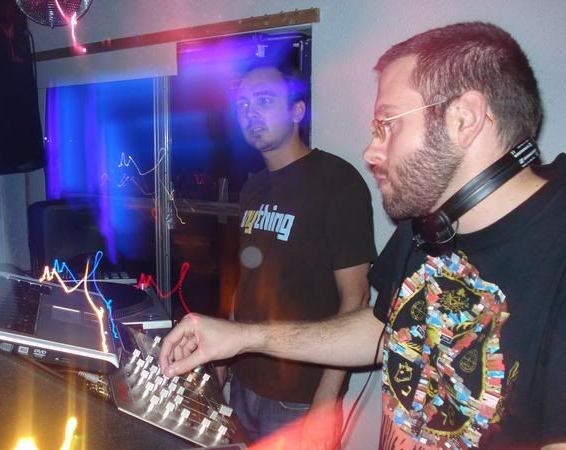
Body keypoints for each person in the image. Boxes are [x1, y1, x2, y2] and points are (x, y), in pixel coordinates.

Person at [160, 22, 566, 449]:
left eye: (387, 124)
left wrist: (323, 400)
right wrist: (242, 337)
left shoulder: (554, 256)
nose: (371, 151)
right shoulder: (428, 225)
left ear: (464, 119)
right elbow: (381, 327)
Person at [217, 64, 376, 449]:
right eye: (243, 105)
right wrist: (223, 362)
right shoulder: (252, 188)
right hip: (245, 380)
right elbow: (247, 281)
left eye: (264, 101)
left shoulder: (337, 181)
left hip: (299, 395)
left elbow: (355, 298)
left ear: (297, 111)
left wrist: (326, 400)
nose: (251, 114)